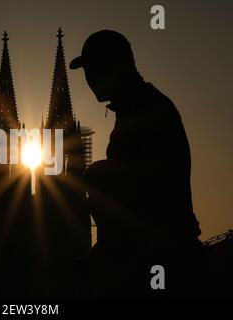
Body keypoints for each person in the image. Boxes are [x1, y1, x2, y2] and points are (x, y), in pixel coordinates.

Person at [69, 30, 205, 298]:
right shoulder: (135, 108)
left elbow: (145, 195)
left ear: (117, 65)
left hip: (158, 263)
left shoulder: (146, 109)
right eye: (88, 70)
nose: (90, 79)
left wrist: (94, 176)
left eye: (95, 67)